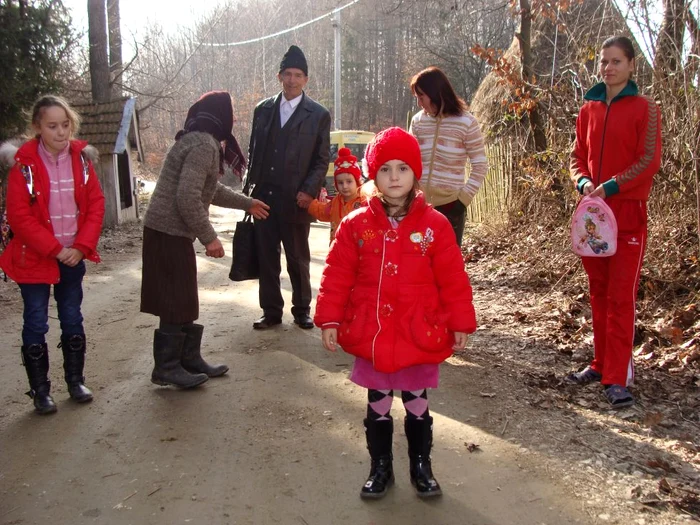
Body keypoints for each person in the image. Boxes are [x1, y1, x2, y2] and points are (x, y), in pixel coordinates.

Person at [314, 127, 477, 499]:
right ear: (374, 175)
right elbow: (337, 274)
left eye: (403, 168)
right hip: (373, 330)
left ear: (415, 173)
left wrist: (461, 321)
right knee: (379, 399)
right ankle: (380, 466)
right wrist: (330, 319)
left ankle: (422, 466)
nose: (394, 177)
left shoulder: (435, 226)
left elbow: (453, 277)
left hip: (418, 329)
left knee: (417, 398)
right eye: (385, 169)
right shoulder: (356, 224)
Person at [141, 91, 270, 389]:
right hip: (168, 232)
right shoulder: (203, 146)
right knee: (176, 298)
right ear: (219, 117)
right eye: (231, 114)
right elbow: (187, 197)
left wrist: (246, 203)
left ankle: (188, 359)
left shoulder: (198, 140)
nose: (233, 120)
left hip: (168, 231)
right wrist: (210, 238)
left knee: (183, 297)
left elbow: (210, 190)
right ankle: (167, 367)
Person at [567, 36, 662, 409]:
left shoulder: (646, 108)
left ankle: (617, 377)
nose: (608, 68)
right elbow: (576, 156)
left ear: (632, 65)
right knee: (598, 292)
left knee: (621, 297)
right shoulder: (588, 107)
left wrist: (610, 186)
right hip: (593, 216)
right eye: (604, 61)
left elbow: (648, 161)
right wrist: (584, 182)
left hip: (627, 215)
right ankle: (600, 363)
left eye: (616, 61)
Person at [0, 95, 105, 415]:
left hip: (73, 255)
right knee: (35, 320)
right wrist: (56, 249)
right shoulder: (24, 166)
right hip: (35, 258)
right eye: (52, 126)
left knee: (72, 316)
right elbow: (19, 216)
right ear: (37, 127)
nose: (61, 132)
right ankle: (41, 391)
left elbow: (96, 206)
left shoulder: (83, 162)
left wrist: (80, 247)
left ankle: (75, 382)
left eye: (65, 125)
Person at [243, 45, 331, 330]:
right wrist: (249, 190)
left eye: (298, 75)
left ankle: (302, 309)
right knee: (267, 257)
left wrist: (308, 190)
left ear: (306, 79)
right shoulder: (263, 109)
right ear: (279, 75)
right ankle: (270, 311)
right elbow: (253, 150)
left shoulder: (317, 114)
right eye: (287, 74)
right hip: (264, 197)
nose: (292, 80)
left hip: (296, 198)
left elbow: (321, 159)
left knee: (298, 258)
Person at [409, 66, 488, 245]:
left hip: (451, 206)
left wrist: (462, 200)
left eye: (421, 96)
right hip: (418, 206)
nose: (419, 103)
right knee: (416, 263)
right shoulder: (418, 122)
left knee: (446, 266)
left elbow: (480, 165)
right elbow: (409, 161)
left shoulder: (466, 123)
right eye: (416, 97)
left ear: (435, 92)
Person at [307, 147, 364, 244]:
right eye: (340, 183)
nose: (345, 186)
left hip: (359, 251)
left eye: (349, 181)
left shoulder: (365, 201)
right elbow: (322, 211)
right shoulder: (335, 203)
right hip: (337, 249)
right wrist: (309, 203)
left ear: (357, 181)